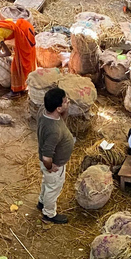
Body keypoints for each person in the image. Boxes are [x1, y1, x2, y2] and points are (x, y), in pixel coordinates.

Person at [37, 88, 74, 224]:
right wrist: (50, 167)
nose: (68, 102)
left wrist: (65, 107)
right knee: (53, 188)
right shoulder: (53, 131)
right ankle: (49, 213)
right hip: (54, 166)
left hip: (49, 166)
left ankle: (42, 202)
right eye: (65, 101)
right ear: (58, 108)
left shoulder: (44, 113)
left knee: (47, 183)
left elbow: (62, 117)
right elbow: (47, 156)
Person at [0, 19, 37, 98]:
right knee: (28, 57)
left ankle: (16, 91)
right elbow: (3, 41)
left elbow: (8, 53)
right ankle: (27, 82)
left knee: (17, 66)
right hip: (26, 27)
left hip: (24, 36)